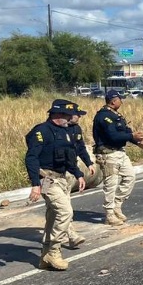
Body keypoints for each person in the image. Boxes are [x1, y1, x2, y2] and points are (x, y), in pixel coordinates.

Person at [25, 99, 86, 271]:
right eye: (67, 116)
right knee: (65, 212)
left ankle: (44, 258)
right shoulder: (41, 131)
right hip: (47, 179)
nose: (70, 119)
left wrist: (78, 174)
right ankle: (54, 251)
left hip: (61, 179)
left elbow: (69, 156)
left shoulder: (65, 132)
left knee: (53, 217)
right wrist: (35, 184)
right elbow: (31, 158)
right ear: (57, 115)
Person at [92, 89, 143, 225]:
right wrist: (131, 136)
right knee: (111, 184)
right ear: (113, 101)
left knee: (130, 177)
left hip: (120, 152)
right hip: (108, 154)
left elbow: (125, 131)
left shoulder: (116, 115)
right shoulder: (104, 117)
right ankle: (109, 214)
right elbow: (113, 136)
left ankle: (117, 204)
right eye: (119, 99)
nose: (121, 101)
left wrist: (136, 141)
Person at [64, 101, 97, 248]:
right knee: (64, 207)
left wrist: (88, 163)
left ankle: (51, 235)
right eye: (77, 114)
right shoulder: (52, 130)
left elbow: (80, 147)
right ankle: (71, 234)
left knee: (58, 208)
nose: (79, 117)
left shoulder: (76, 129)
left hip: (71, 169)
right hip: (55, 173)